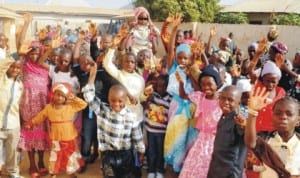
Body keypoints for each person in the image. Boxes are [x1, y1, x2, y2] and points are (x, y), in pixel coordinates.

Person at [82, 63, 145, 178]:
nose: (116, 104)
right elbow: (89, 97)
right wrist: (92, 78)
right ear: (108, 99)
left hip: (126, 153)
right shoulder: (102, 110)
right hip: (108, 155)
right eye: (113, 100)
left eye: (120, 101)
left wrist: (141, 151)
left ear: (125, 100)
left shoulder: (131, 116)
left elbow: (137, 136)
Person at [25, 83, 87, 178]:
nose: (59, 98)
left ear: (66, 98)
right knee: (55, 155)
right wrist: (31, 123)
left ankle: (71, 172)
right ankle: (53, 172)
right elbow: (40, 116)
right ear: (53, 95)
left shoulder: (70, 106)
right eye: (58, 94)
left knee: (70, 156)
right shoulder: (49, 108)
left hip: (69, 137)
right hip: (56, 138)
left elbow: (83, 104)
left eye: (63, 96)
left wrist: (73, 98)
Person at [178, 65, 223, 178]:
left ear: (217, 84)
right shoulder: (200, 97)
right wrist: (181, 83)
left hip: (217, 140)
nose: (205, 87)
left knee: (211, 165)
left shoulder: (222, 100)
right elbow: (183, 95)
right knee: (196, 163)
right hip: (202, 138)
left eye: (209, 84)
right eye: (202, 84)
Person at [245, 90, 300, 177]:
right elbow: (251, 143)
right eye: (278, 113)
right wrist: (253, 112)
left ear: (298, 120)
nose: (283, 117)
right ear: (272, 117)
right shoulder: (266, 139)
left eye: (289, 114)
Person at [18, 42, 51, 178]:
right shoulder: (24, 66)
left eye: (37, 53)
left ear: (41, 53)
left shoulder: (45, 68)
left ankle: (42, 162)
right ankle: (32, 164)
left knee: (42, 137)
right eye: (31, 53)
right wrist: (26, 23)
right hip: (28, 107)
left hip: (42, 108)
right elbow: (20, 50)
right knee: (30, 137)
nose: (34, 56)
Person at [207, 85, 247, 178]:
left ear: (238, 102)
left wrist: (244, 126)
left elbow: (244, 132)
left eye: (230, 100)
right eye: (223, 98)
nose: (226, 102)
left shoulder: (238, 119)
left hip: (230, 172)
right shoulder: (224, 116)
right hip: (216, 168)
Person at [142, 74, 172, 178]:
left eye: (164, 86)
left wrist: (161, 114)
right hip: (151, 130)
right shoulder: (152, 96)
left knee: (160, 152)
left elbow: (170, 114)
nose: (161, 88)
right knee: (151, 151)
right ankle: (151, 170)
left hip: (162, 132)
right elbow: (146, 107)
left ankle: (159, 170)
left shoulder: (170, 99)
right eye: (158, 86)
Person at [0, 58, 23, 178]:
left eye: (18, 67)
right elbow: (2, 65)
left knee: (13, 152)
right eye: (12, 66)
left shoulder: (20, 84)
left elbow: (18, 104)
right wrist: (17, 54)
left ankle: (13, 173)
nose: (15, 69)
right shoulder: (2, 79)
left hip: (13, 124)